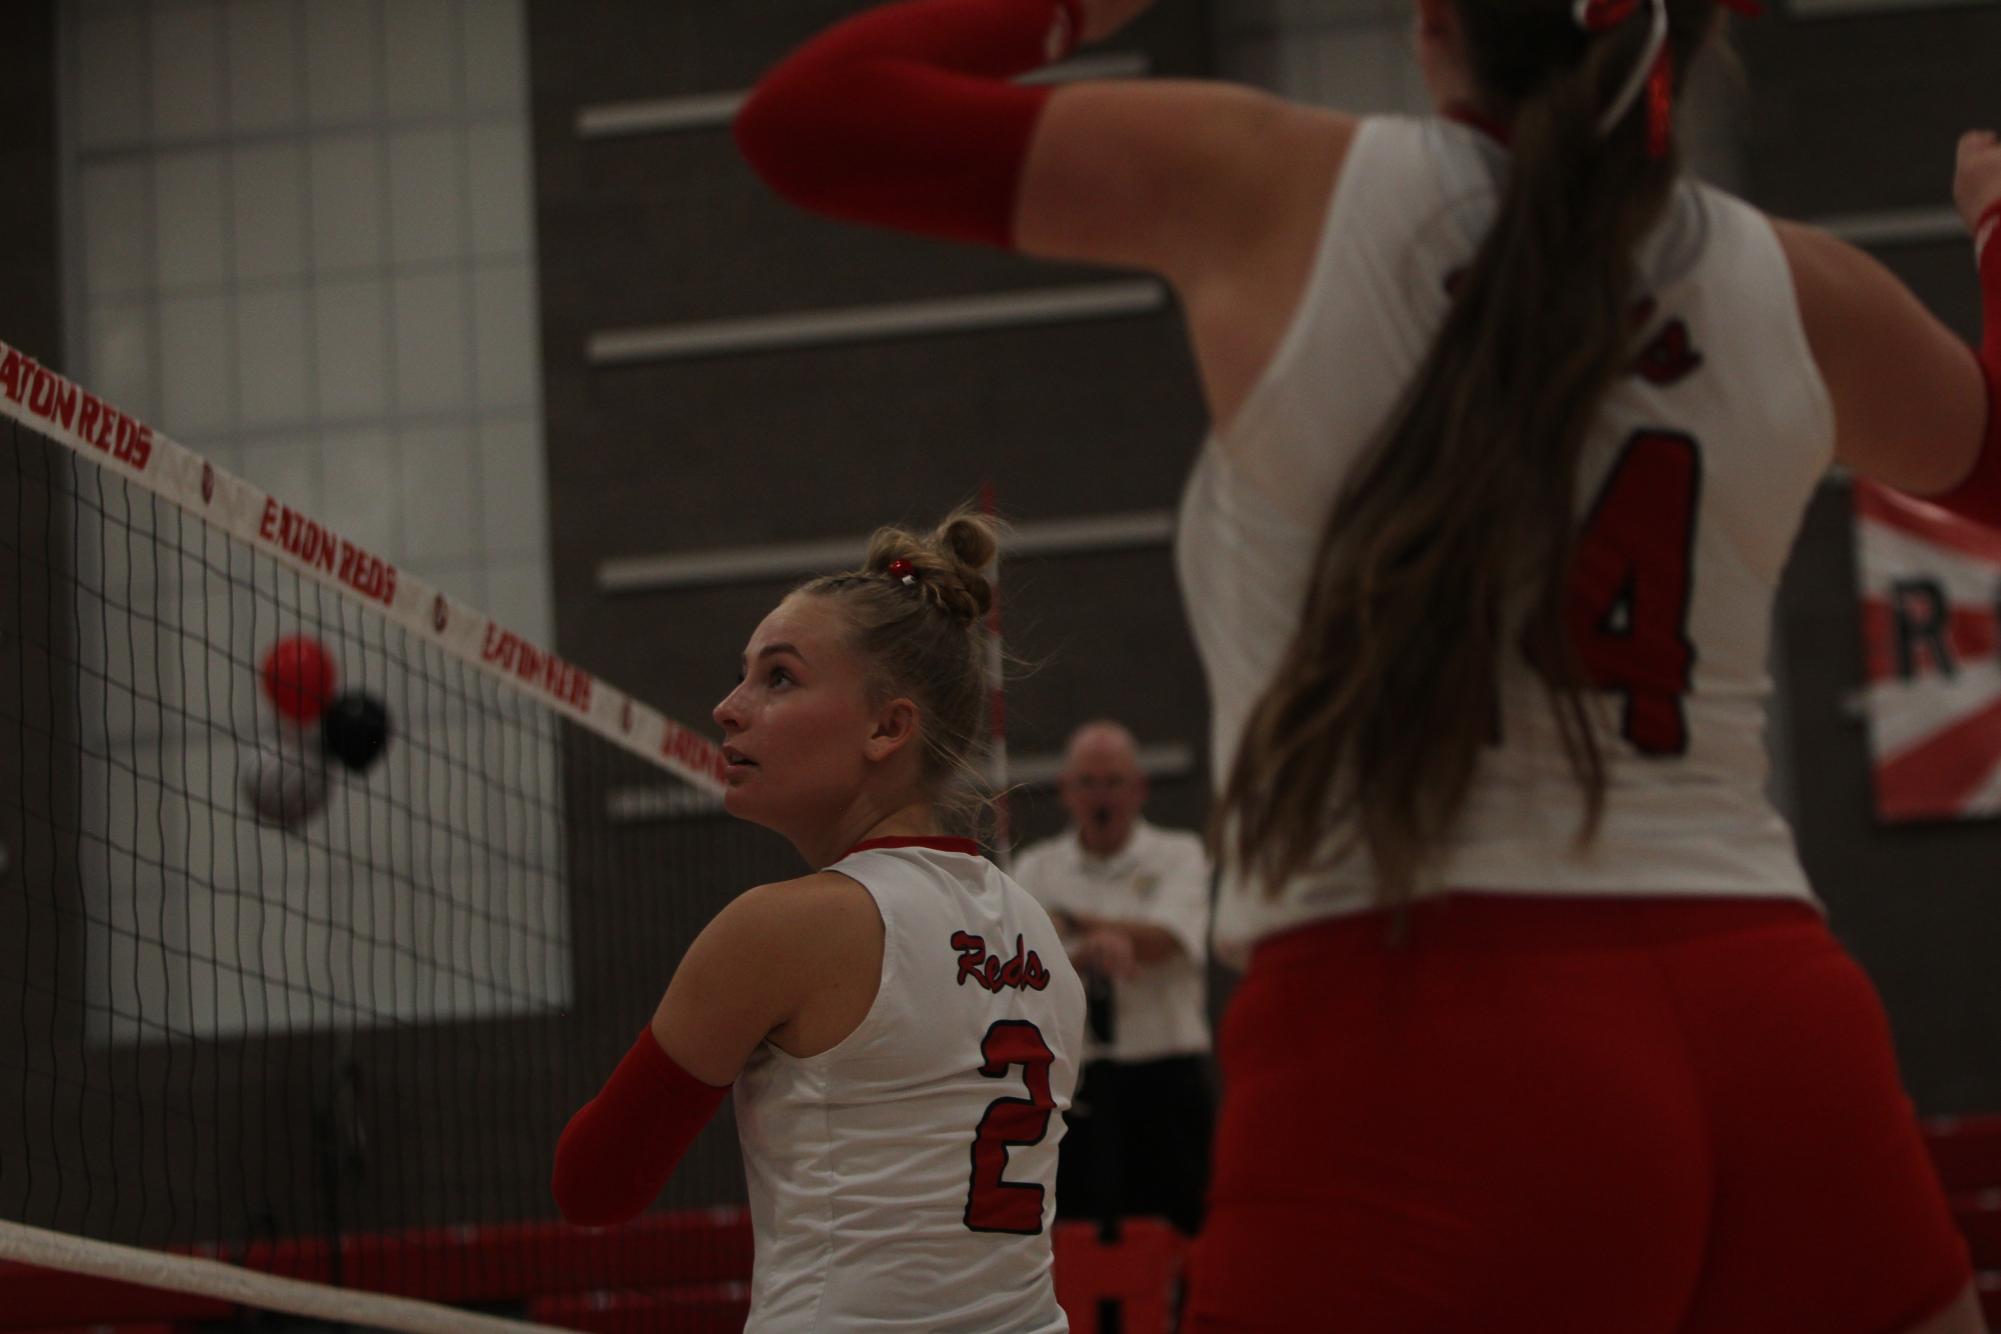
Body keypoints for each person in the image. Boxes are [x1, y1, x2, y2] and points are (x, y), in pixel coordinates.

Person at [734, 2, 2001, 1330]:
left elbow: (809, 120)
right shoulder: (1798, 283)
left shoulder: (1279, 180)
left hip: (1427, 1030)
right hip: (1773, 1025)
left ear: (1433, 22)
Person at [551, 511, 1086, 1332]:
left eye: (778, 679)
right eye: (744, 676)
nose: (729, 708)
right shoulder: (1041, 936)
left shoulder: (779, 930)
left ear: (886, 727)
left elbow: (593, 1188)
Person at [1012, 720, 1213, 1236]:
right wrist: (1084, 954)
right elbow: (1015, 959)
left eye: (1114, 782)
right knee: (1080, 1239)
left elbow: (1167, 937)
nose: (1102, 797)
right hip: (1076, 1083)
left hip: (1165, 1077)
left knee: (1181, 1231)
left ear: (1140, 788)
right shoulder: (1035, 869)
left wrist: (1075, 926)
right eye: (1088, 783)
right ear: (1066, 791)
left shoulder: (1179, 854)